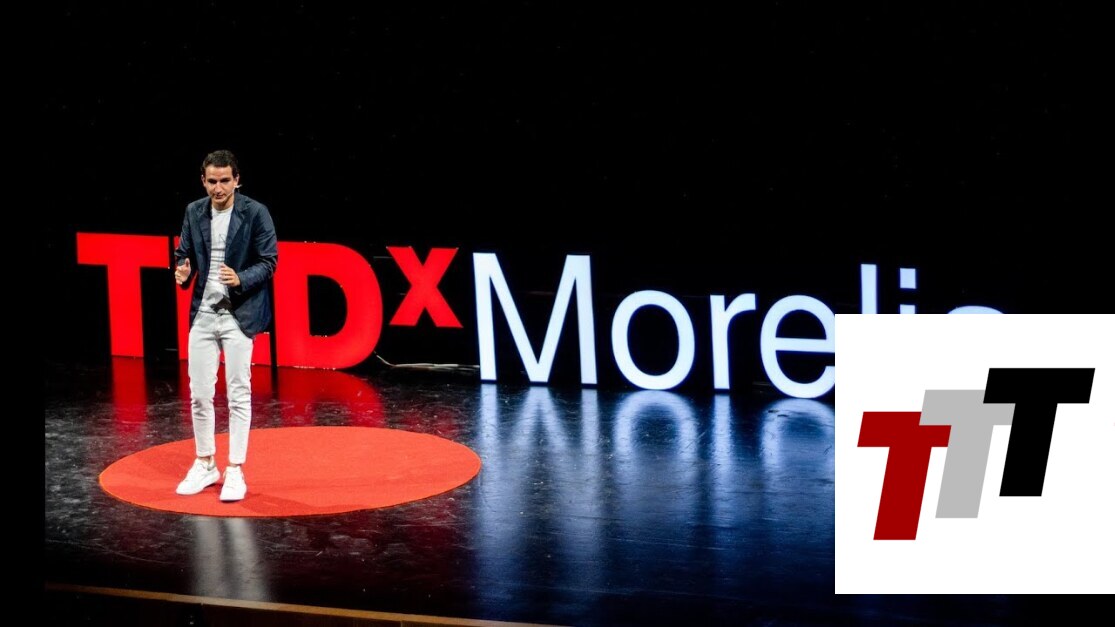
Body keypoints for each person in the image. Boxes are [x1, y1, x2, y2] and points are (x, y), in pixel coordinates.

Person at [173, 150, 278, 501]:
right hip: (203, 313)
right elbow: (183, 255)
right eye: (212, 182)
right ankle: (205, 463)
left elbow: (269, 261)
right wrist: (183, 271)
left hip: (238, 313)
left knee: (238, 392)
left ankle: (235, 468)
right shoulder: (194, 211)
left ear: (237, 180)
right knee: (200, 393)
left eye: (225, 181)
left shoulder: (255, 213)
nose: (218, 188)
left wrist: (240, 278)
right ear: (203, 181)